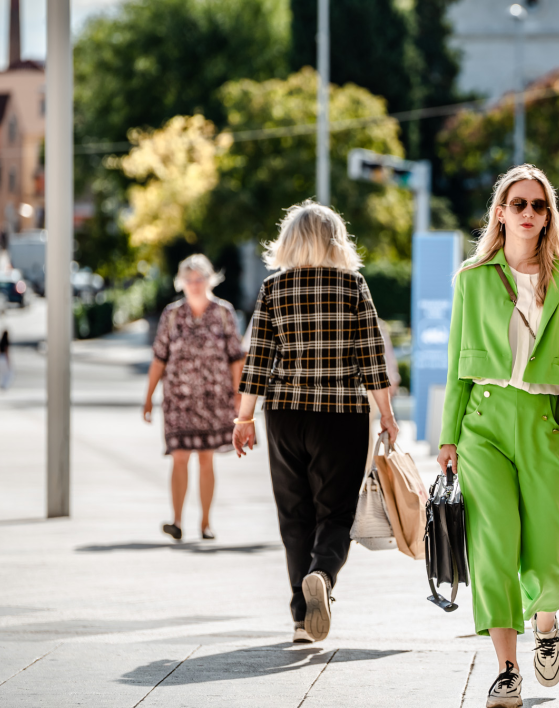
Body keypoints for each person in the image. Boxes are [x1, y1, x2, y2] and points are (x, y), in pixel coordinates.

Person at [436, 165, 559, 708]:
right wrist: (449, 436)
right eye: (518, 204)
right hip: (482, 424)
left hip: (544, 421)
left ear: (550, 215)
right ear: (500, 213)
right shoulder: (473, 277)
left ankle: (545, 622)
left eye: (538, 205)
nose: (528, 213)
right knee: (493, 545)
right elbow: (457, 363)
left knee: (550, 552)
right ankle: (507, 671)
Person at [232, 200, 398, 645]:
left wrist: (244, 417)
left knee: (294, 515)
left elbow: (257, 360)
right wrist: (386, 414)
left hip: (285, 415)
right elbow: (372, 358)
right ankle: (322, 574)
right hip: (342, 416)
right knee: (337, 512)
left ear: (289, 241)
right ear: (336, 240)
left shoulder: (273, 287)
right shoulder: (353, 285)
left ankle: (301, 619)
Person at [143, 254, 245, 542]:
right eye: (189, 280)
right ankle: (176, 522)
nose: (194, 284)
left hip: (214, 399)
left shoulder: (224, 312)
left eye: (199, 279)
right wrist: (148, 397)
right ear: (181, 283)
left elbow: (236, 358)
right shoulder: (171, 314)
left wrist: (239, 396)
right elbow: (159, 358)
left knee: (206, 459)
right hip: (178, 400)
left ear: (209, 280)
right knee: (178, 457)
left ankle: (205, 523)